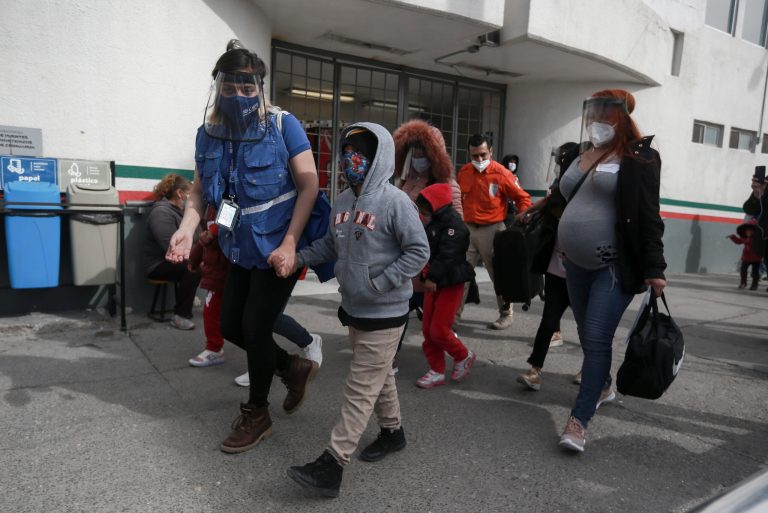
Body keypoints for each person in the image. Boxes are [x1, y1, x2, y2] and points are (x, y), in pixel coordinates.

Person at [166, 40, 320, 454]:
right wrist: (187, 229)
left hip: (278, 249)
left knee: (254, 327)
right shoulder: (207, 135)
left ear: (260, 88)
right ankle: (292, 366)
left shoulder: (283, 125)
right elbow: (200, 193)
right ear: (218, 87)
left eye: (247, 88)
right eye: (230, 88)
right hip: (238, 247)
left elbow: (309, 186)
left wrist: (291, 243)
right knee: (231, 326)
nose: (239, 96)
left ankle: (257, 413)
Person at [282, 123, 430, 498]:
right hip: (354, 309)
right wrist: (296, 258)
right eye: (346, 153)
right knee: (379, 376)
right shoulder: (343, 201)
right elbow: (329, 246)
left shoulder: (396, 202)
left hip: (385, 312)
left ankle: (332, 463)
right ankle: (393, 432)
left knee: (360, 388)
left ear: (378, 157)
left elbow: (419, 251)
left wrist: (380, 283)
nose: (351, 160)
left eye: (359, 153)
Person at [552, 89, 667, 453]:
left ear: (620, 118)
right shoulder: (578, 153)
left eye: (605, 115)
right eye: (593, 114)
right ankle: (602, 386)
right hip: (574, 263)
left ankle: (579, 420)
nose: (596, 122)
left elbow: (649, 215)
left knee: (597, 337)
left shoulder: (639, 157)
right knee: (587, 335)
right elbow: (562, 198)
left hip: (613, 266)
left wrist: (655, 268)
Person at [186, 206, 323, 371]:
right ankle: (267, 364)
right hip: (239, 263)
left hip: (266, 260)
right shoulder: (216, 202)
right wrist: (196, 249)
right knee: (241, 322)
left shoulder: (239, 199)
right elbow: (219, 227)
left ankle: (302, 346)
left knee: (262, 319)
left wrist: (294, 256)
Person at [391, 119, 462, 370]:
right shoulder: (406, 181)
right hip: (404, 262)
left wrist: (438, 269)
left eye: (424, 153)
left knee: (434, 323)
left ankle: (456, 356)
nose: (419, 158)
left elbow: (456, 232)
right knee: (402, 312)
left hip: (428, 266)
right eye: (415, 153)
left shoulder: (448, 187)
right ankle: (390, 357)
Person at [457, 134, 531, 329]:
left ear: (491, 151)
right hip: (468, 230)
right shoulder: (464, 172)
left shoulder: (502, 173)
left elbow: (523, 198)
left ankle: (506, 314)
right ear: (469, 154)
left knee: (499, 275)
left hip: (493, 230)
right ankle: (453, 317)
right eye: (475, 156)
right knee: (460, 276)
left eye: (483, 154)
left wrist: (523, 214)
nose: (479, 159)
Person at [413, 182, 476, 389]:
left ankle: (463, 355)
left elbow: (448, 254)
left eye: (424, 207)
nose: (422, 212)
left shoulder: (453, 224)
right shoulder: (435, 221)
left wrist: (432, 277)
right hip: (433, 280)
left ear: (435, 204)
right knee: (428, 329)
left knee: (439, 329)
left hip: (449, 282)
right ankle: (436, 370)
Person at [143, 173, 201, 330]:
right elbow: (172, 248)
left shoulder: (183, 213)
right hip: (158, 265)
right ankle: (180, 315)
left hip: (177, 260)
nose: (192, 199)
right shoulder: (161, 213)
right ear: (180, 193)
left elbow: (198, 236)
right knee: (193, 269)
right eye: (190, 194)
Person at [727, 219, 762, 290]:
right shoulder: (745, 237)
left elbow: (752, 243)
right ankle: (743, 283)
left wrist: (749, 238)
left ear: (754, 231)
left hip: (756, 257)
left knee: (755, 272)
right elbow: (738, 241)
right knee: (743, 270)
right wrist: (733, 237)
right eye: (747, 230)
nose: (748, 232)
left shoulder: (758, 238)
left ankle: (754, 285)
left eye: (750, 230)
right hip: (746, 257)